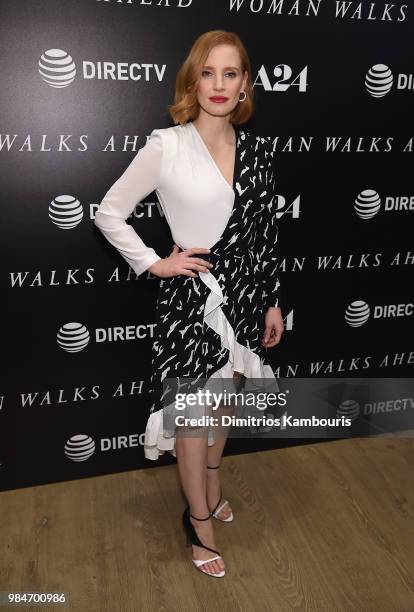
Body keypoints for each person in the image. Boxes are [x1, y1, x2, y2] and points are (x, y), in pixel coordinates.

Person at [94, 30, 284, 578]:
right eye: (208, 73)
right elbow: (109, 212)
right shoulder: (167, 145)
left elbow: (265, 236)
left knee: (224, 401)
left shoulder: (259, 151)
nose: (219, 85)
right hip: (191, 300)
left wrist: (272, 302)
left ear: (246, 84)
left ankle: (214, 479)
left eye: (231, 74)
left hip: (245, 297)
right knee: (193, 416)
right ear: (192, 80)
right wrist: (155, 262)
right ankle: (197, 521)